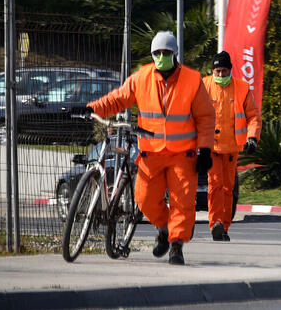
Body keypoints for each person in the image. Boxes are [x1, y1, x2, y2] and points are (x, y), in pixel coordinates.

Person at [86, 31, 215, 265]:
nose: (161, 57)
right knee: (144, 199)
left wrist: (205, 150)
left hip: (182, 155)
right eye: (157, 53)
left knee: (182, 202)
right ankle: (165, 228)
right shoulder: (141, 78)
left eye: (166, 53)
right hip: (150, 153)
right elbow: (118, 99)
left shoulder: (192, 80)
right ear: (152, 55)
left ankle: (176, 246)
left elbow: (206, 118)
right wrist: (93, 108)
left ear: (175, 54)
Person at [201, 50, 261, 242]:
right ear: (212, 71)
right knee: (215, 186)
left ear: (230, 71)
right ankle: (215, 223)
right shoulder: (204, 86)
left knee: (228, 189)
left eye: (224, 71)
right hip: (212, 148)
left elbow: (253, 117)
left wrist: (253, 138)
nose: (220, 75)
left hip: (232, 149)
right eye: (217, 71)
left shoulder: (242, 88)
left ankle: (224, 227)